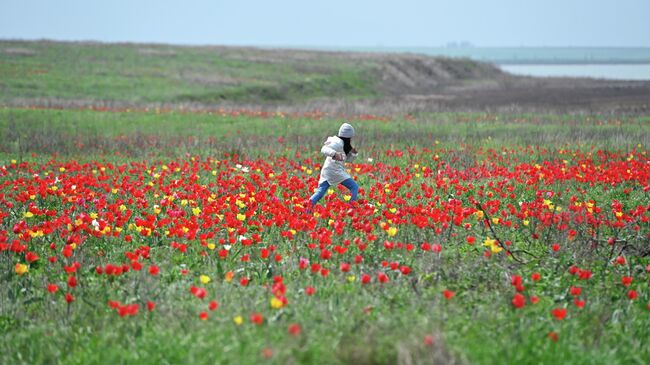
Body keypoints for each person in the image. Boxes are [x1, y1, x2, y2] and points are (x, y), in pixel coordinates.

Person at [309, 122, 359, 206]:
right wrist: (334, 154)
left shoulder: (344, 145)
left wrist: (354, 154)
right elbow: (324, 149)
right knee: (354, 187)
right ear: (348, 137)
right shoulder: (337, 142)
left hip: (328, 170)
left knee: (321, 191)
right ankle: (352, 207)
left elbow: (348, 160)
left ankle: (307, 207)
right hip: (335, 171)